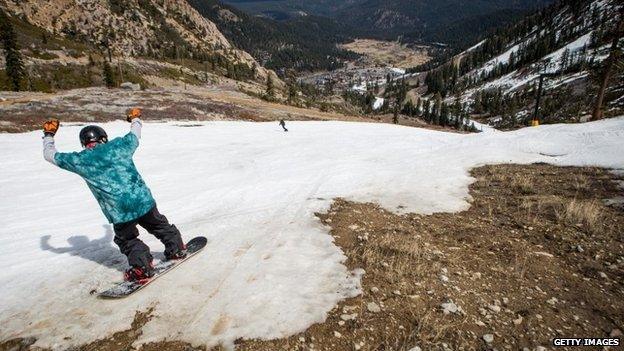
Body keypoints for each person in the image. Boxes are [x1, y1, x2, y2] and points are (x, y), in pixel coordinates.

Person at [42, 108, 186, 283]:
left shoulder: (80, 160)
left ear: (84, 142)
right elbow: (135, 134)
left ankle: (142, 268)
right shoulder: (119, 146)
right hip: (142, 200)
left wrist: (49, 134)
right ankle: (177, 248)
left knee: (127, 239)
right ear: (103, 138)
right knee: (159, 225)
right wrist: (135, 118)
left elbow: (50, 155)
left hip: (119, 210)